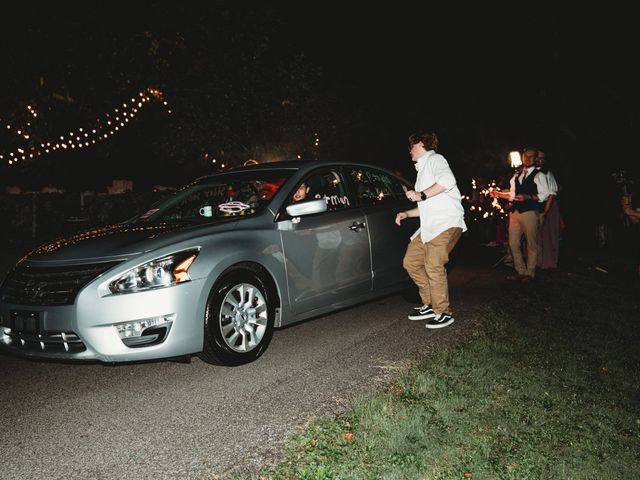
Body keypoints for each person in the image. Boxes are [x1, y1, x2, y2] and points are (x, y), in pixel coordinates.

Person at [395, 130, 467, 329]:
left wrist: (421, 195)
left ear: (421, 144)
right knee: (411, 262)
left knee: (434, 265)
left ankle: (443, 311)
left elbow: (447, 182)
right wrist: (407, 214)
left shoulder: (436, 159)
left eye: (411, 146)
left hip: (445, 223)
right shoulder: (423, 170)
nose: (409, 150)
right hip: (429, 226)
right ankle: (429, 303)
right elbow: (426, 202)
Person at [490, 147, 550, 282]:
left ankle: (530, 273)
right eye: (526, 156)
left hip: (530, 212)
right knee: (513, 243)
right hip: (515, 213)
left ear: (535, 159)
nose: (527, 159)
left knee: (531, 244)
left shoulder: (540, 175)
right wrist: (498, 194)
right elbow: (512, 195)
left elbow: (545, 194)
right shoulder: (517, 175)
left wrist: (528, 196)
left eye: (531, 157)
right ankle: (520, 271)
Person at [535, 150, 561, 270]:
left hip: (549, 207)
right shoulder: (532, 173)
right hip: (537, 206)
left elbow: (552, 193)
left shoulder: (547, 173)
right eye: (538, 158)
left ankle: (549, 262)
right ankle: (537, 261)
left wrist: (545, 211)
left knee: (549, 234)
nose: (540, 160)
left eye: (542, 158)